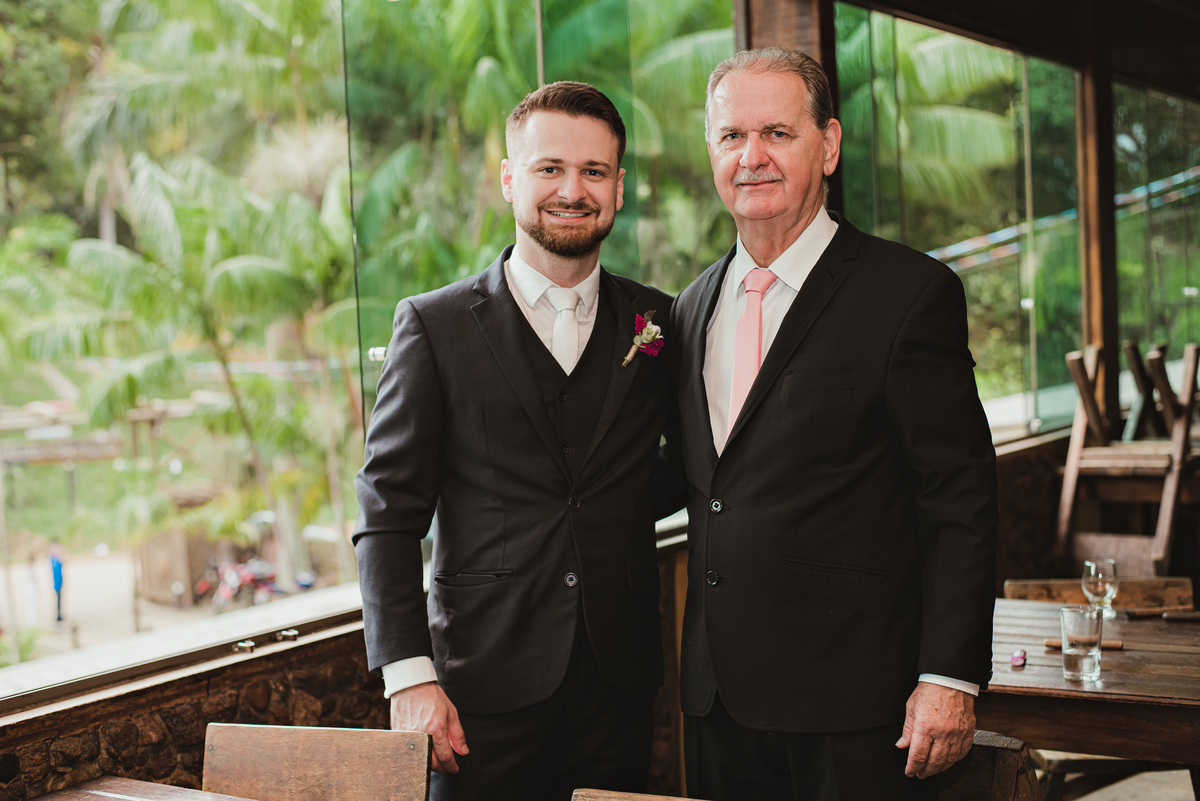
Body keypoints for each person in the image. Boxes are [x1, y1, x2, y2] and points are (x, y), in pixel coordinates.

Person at [671, 47, 997, 800]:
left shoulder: (910, 294)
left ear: (829, 145)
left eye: (777, 133)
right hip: (717, 702)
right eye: (731, 136)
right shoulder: (688, 310)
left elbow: (960, 498)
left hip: (858, 705)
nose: (751, 156)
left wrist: (949, 676)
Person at [354, 81, 681, 801]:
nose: (573, 190)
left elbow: (680, 466)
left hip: (619, 683)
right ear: (509, 179)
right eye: (549, 168)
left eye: (594, 171)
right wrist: (408, 676)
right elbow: (387, 511)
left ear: (618, 186)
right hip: (477, 687)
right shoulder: (433, 326)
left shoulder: (658, 322)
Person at [49, 541, 65, 623]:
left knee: (59, 599)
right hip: (56, 582)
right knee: (57, 599)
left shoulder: (57, 558)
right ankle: (57, 615)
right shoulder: (52, 559)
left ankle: (59, 614)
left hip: (59, 581)